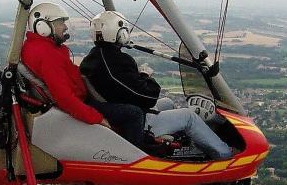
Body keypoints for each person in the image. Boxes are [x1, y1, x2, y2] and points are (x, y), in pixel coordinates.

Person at [80, 11, 234, 160]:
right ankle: (225, 154)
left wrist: (138, 78)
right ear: (120, 33)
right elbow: (148, 97)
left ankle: (185, 145)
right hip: (133, 121)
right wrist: (146, 77)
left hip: (115, 110)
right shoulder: (116, 61)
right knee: (189, 117)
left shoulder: (92, 58)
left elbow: (122, 88)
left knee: (168, 103)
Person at [19, 2, 145, 147]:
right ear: (43, 27)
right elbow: (65, 98)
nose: (65, 27)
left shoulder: (34, 46)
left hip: (78, 102)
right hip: (79, 105)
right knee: (134, 113)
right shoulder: (48, 55)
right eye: (60, 23)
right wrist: (97, 118)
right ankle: (135, 158)